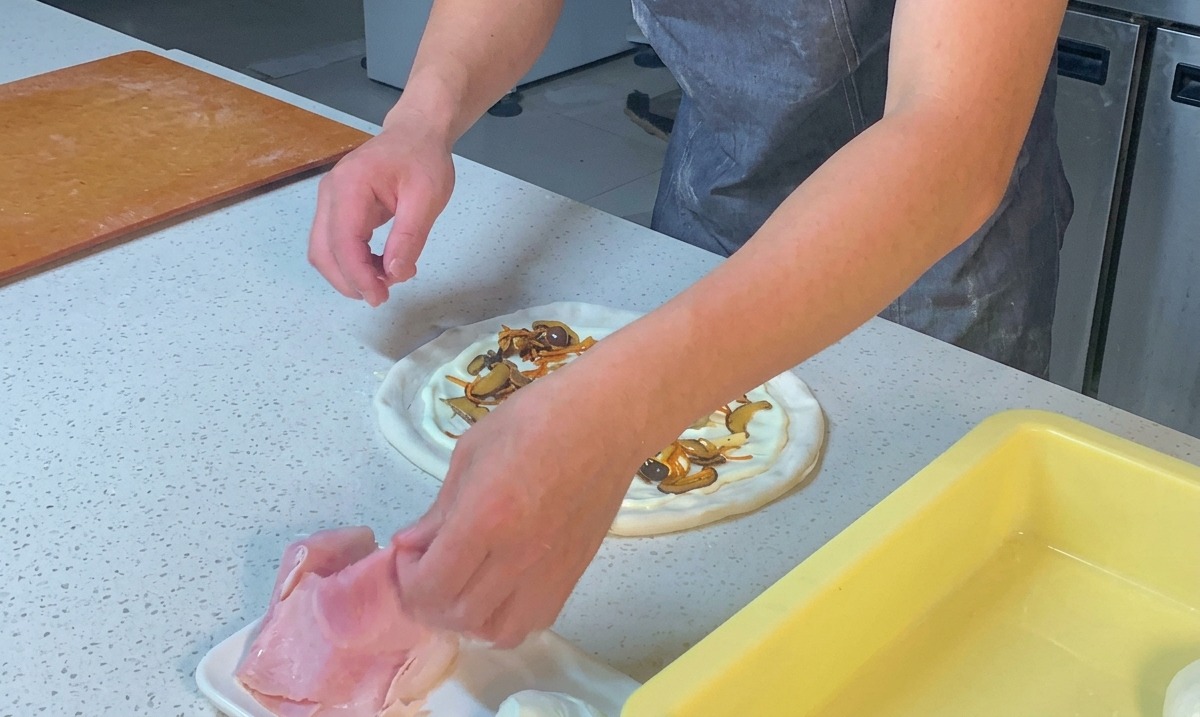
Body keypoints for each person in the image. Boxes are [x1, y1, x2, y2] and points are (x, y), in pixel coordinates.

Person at [307, 0, 1072, 648]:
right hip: (718, 193)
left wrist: (614, 411)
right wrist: (421, 118)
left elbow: (951, 126)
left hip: (922, 272)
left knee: (884, 623)